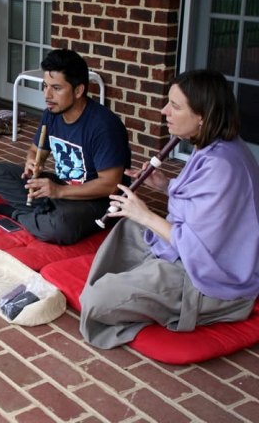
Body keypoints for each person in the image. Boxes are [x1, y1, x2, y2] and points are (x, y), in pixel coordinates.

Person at [79, 69, 259, 349]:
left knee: (94, 303)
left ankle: (145, 296)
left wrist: (146, 215)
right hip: (183, 251)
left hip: (205, 276)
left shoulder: (223, 164)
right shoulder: (214, 147)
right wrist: (165, 185)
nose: (165, 111)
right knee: (128, 227)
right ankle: (137, 288)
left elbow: (198, 246)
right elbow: (202, 205)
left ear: (203, 116)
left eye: (175, 106)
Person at [0, 49, 131, 245]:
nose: (47, 95)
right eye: (45, 86)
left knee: (60, 226)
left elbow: (111, 185)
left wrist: (59, 192)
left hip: (98, 200)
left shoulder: (103, 126)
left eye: (56, 88)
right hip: (62, 189)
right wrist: (32, 162)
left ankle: (19, 214)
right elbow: (36, 151)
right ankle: (45, 211)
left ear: (78, 90)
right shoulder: (52, 113)